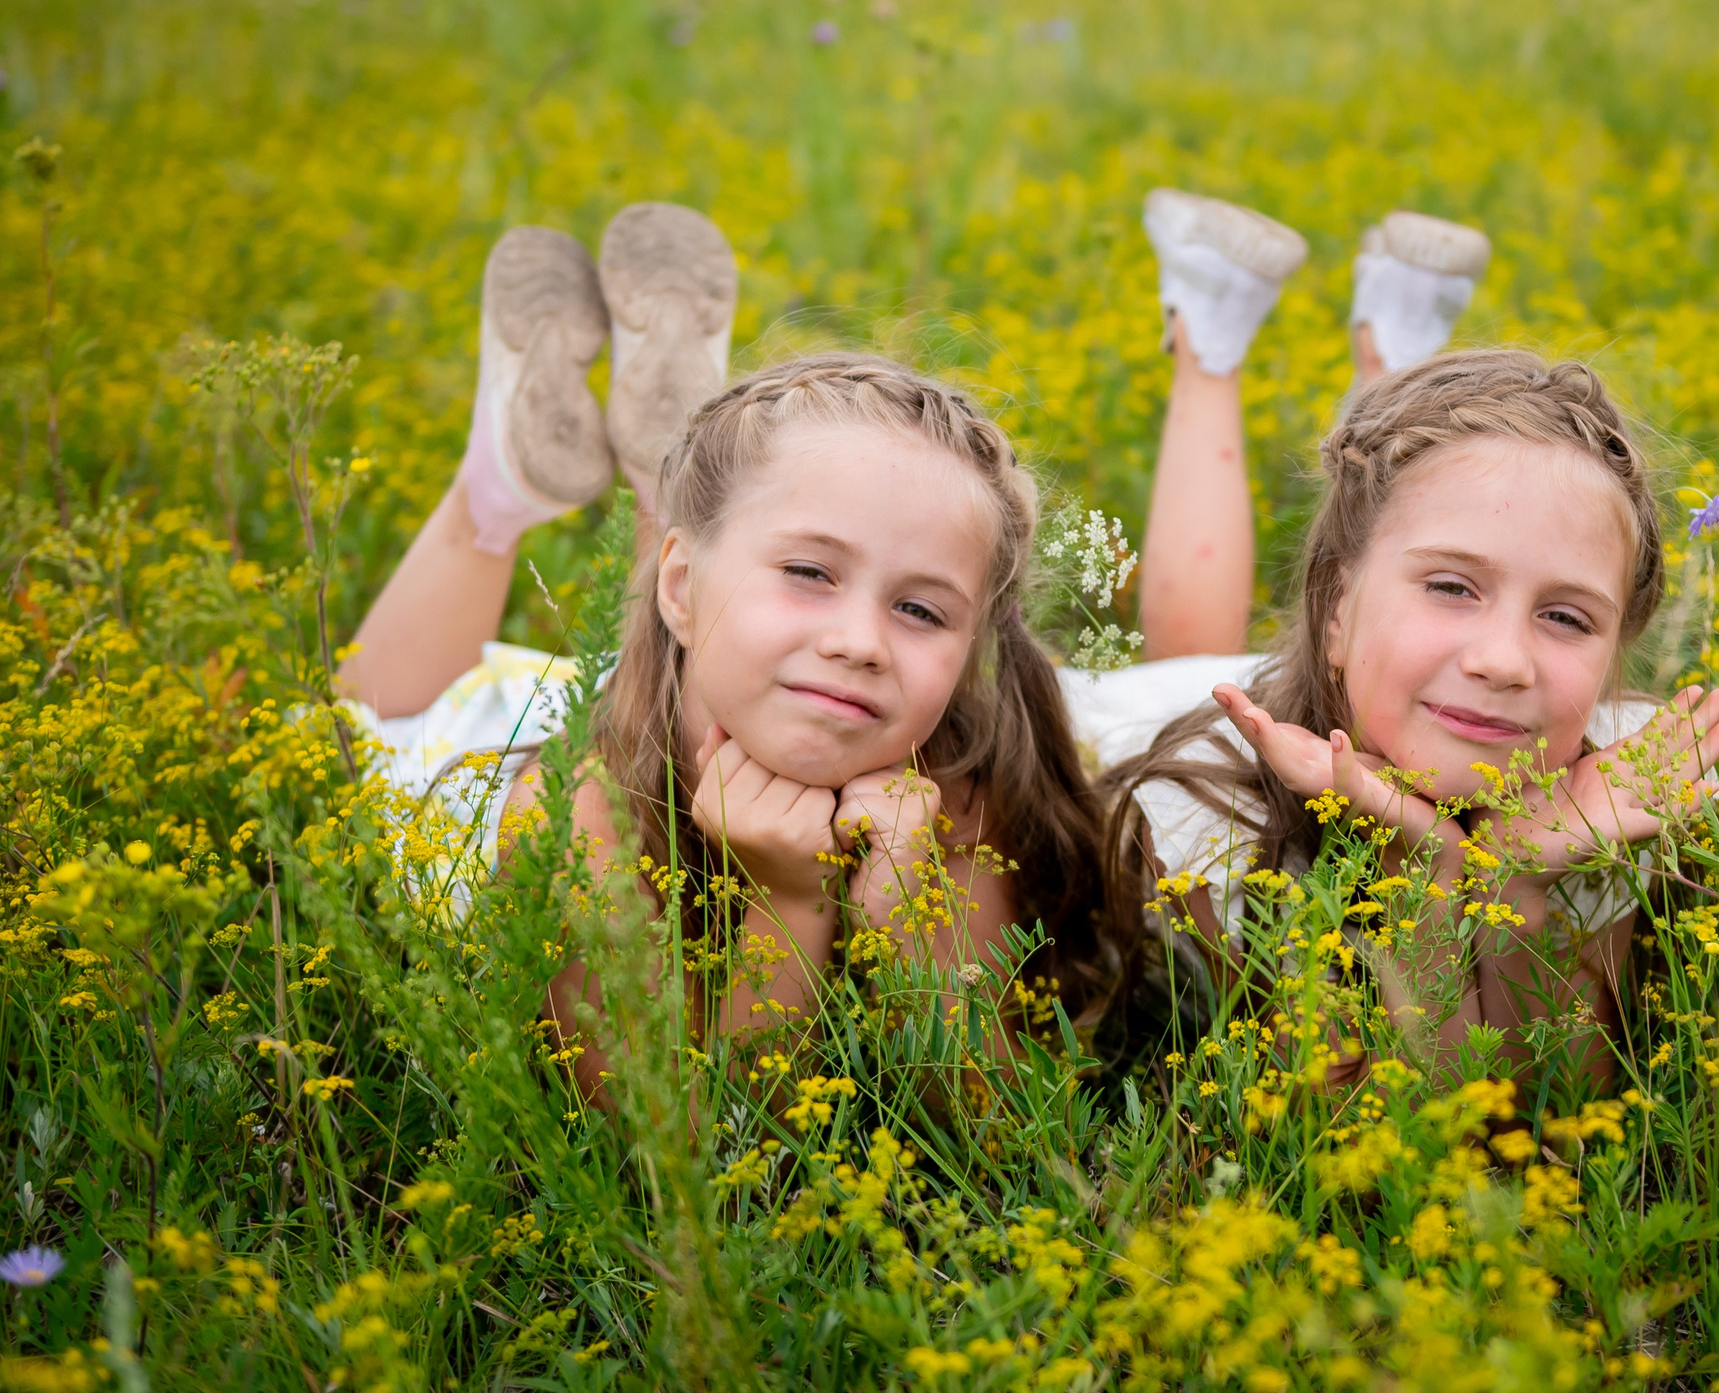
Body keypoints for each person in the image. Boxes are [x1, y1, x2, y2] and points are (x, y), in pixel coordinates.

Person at [337, 205, 1137, 1098]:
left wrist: (910, 923)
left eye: (920, 609)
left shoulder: (953, 802)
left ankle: (669, 485)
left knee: (721, 603)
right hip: (475, 753)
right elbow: (672, 1151)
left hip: (690, 676)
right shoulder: (576, 814)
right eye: (810, 571)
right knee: (361, 728)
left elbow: (997, 1127)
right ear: (674, 588)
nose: (859, 642)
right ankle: (496, 482)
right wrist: (788, 902)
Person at [1081, 189, 1719, 1083]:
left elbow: (1549, 1109)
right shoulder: (1208, 824)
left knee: (1269, 613)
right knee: (1190, 659)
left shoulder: (1607, 798)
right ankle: (1211, 330)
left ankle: (1385, 361)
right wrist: (1420, 854)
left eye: (1565, 616)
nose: (1502, 660)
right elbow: (1369, 1124)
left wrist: (1512, 878)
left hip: (1360, 690)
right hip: (1196, 718)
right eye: (1453, 586)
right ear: (1335, 610)